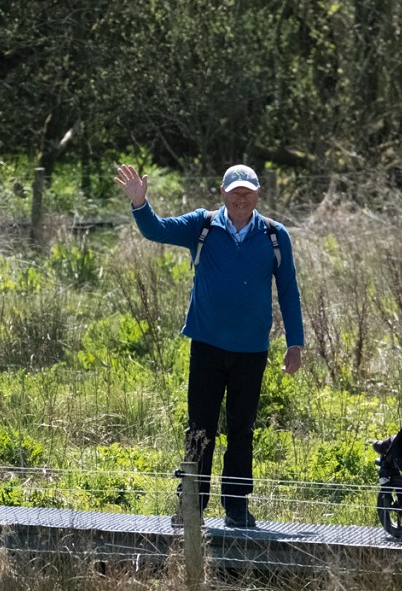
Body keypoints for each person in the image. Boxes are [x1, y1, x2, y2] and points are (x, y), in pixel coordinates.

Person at [114, 162, 304, 528]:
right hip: (206, 346)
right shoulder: (201, 225)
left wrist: (294, 343)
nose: (241, 199)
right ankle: (191, 506)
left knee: (241, 430)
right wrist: (140, 203)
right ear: (222, 193)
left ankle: (236, 507)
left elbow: (289, 290)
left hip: (252, 350)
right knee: (199, 429)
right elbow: (156, 230)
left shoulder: (274, 235)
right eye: (234, 192)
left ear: (258, 194)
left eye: (247, 192)